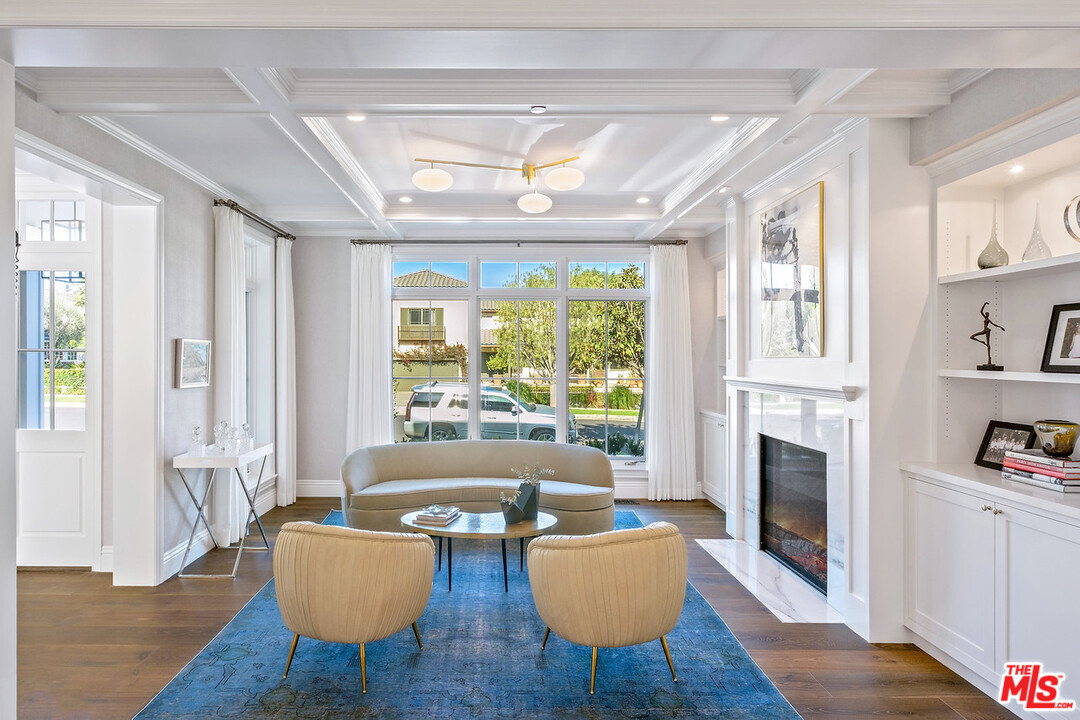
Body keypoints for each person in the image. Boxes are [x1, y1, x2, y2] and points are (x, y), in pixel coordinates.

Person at [970, 302, 1004, 367]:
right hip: (984, 330)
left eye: (987, 314)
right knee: (972, 337)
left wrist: (1000, 327)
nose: (987, 315)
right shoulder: (985, 318)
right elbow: (981, 311)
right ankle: (982, 342)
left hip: (987, 331)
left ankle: (989, 359)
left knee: (988, 345)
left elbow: (994, 324)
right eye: (986, 314)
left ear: (988, 315)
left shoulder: (988, 320)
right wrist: (984, 304)